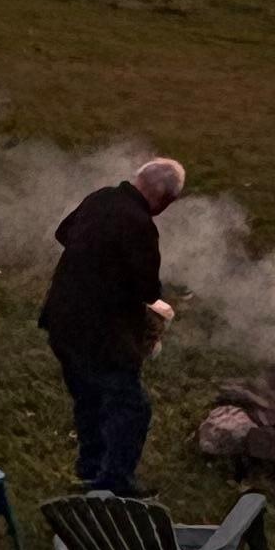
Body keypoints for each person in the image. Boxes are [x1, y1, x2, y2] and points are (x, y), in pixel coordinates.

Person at [39, 156, 186, 494]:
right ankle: (115, 482)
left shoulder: (101, 198)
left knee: (88, 397)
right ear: (165, 200)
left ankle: (90, 469)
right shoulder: (140, 225)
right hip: (100, 333)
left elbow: (63, 233)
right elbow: (147, 290)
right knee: (131, 406)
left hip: (61, 318)